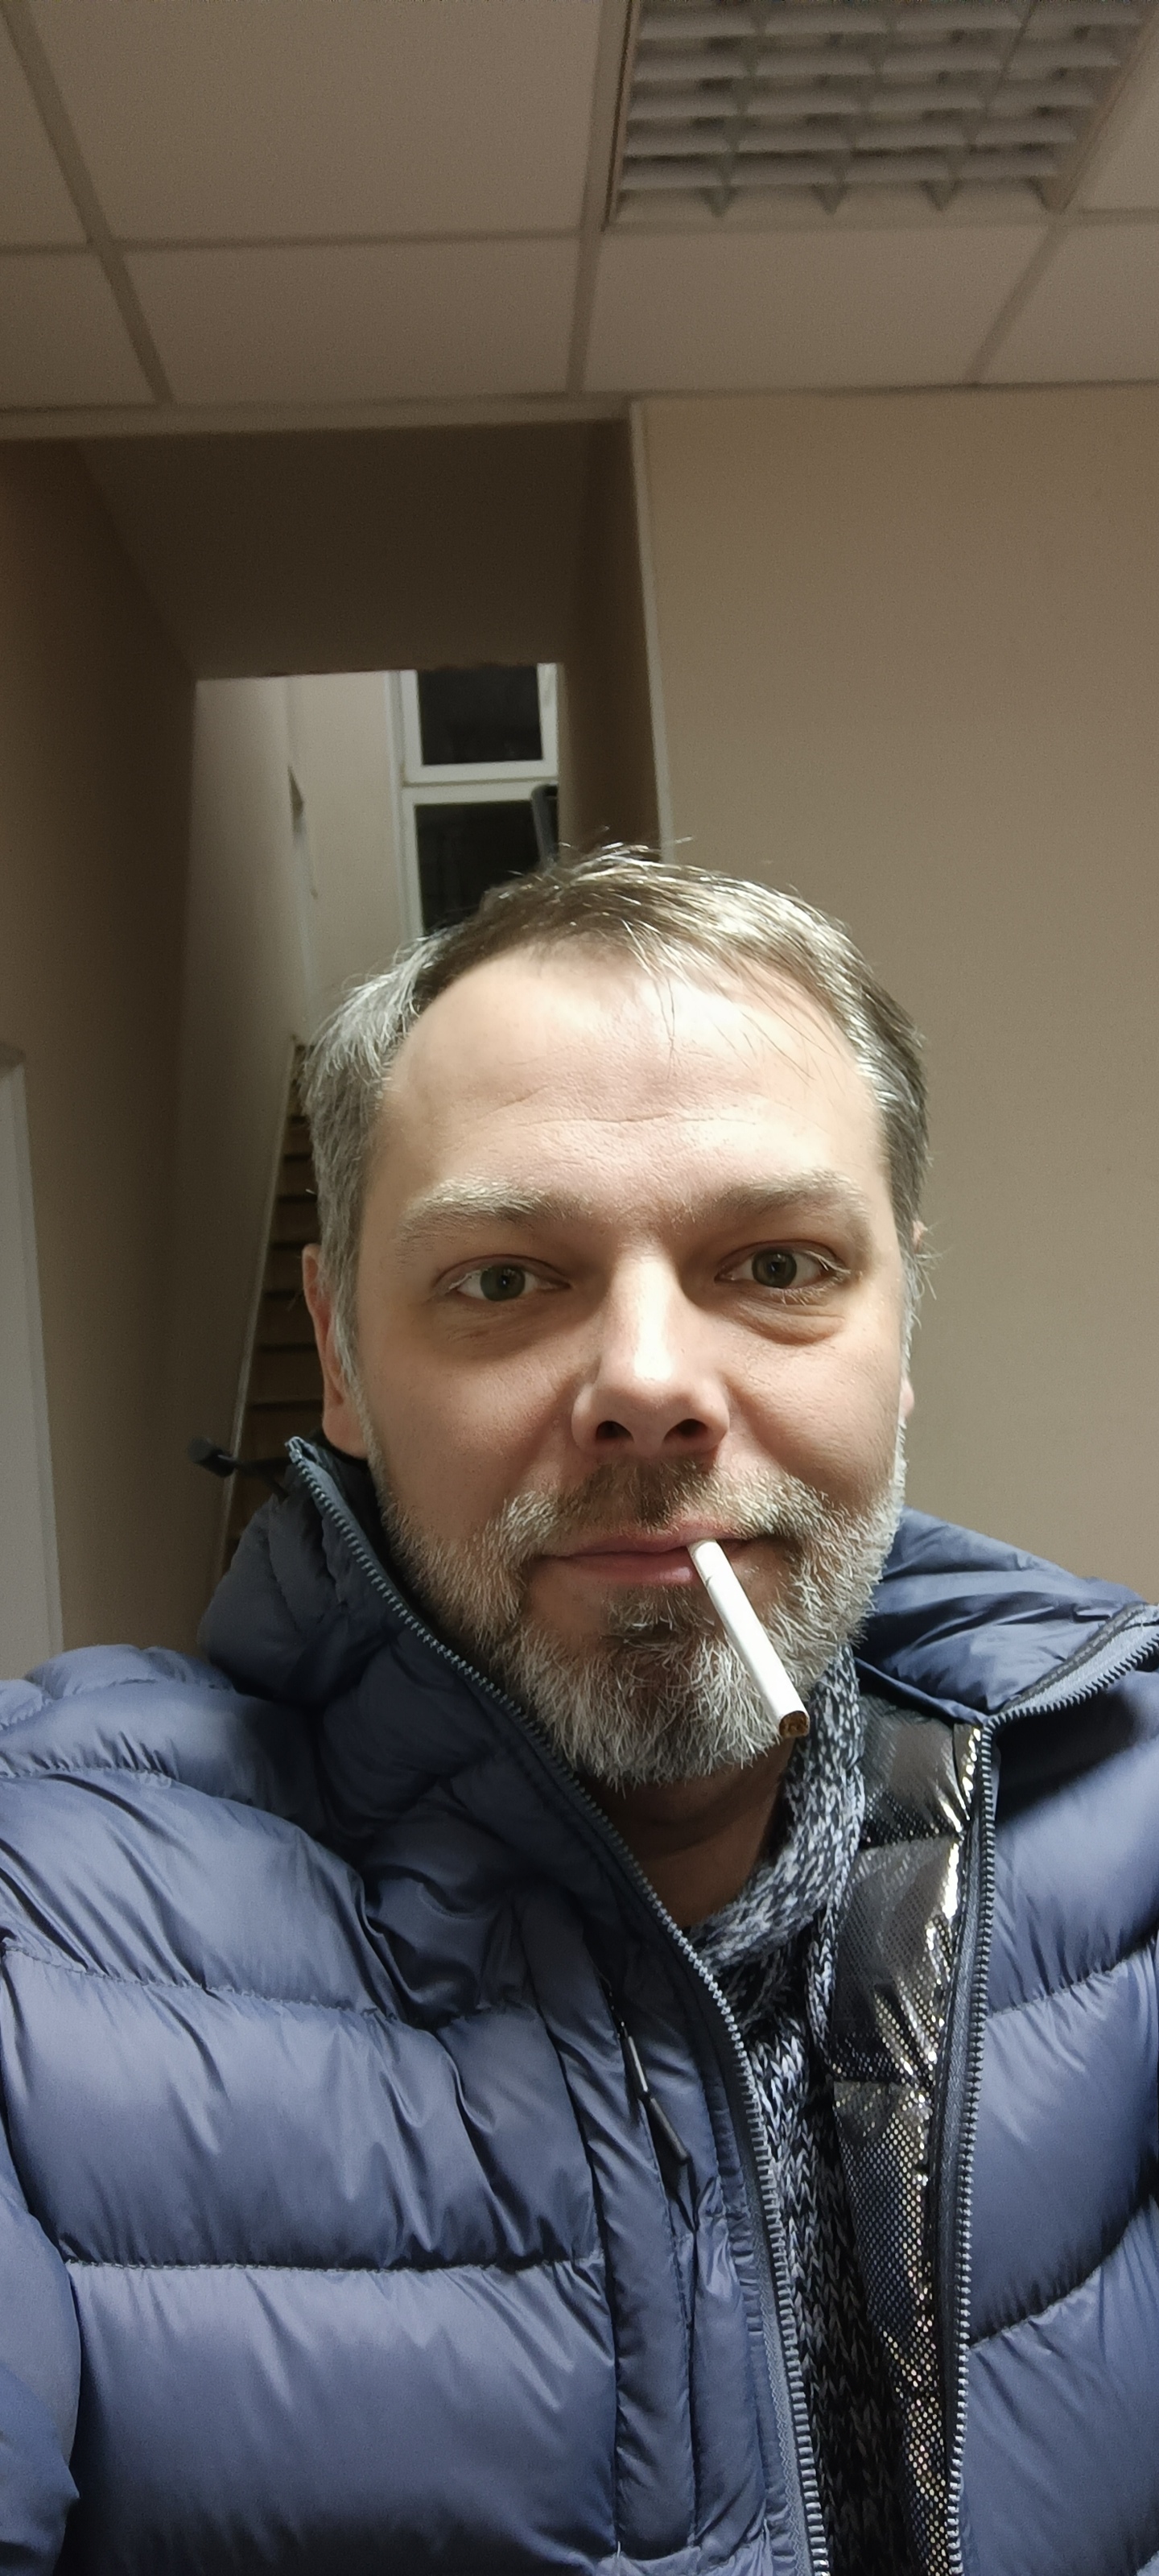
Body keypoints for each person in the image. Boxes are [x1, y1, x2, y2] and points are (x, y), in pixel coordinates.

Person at [1, 853, 1157, 2576]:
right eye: (503, 1279)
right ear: (338, 1355)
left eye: (777, 1263)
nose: (649, 1386)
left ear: (903, 1329)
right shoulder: (33, 1928)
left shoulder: (1131, 1818)